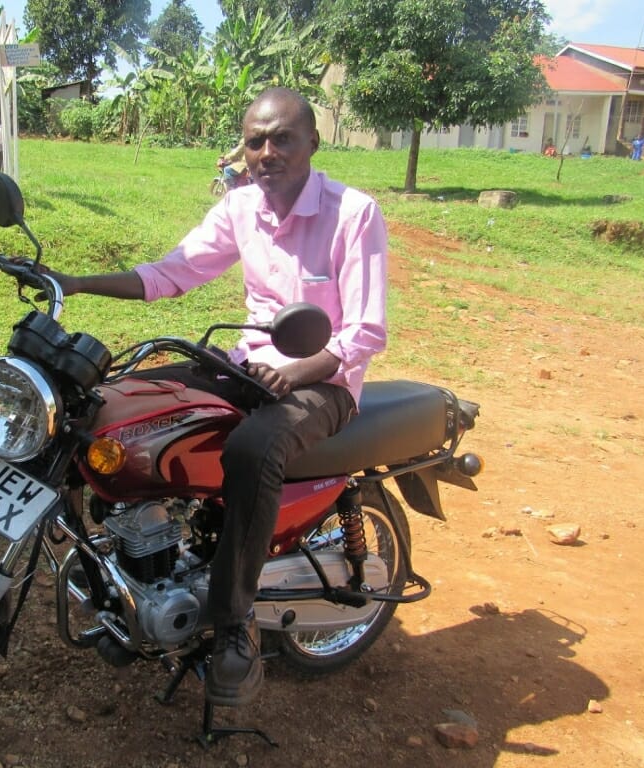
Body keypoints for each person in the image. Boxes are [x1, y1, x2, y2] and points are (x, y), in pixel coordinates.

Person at [44, 87, 388, 706]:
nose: (267, 151)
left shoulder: (353, 212)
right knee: (117, 407)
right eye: (255, 140)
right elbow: (171, 272)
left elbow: (365, 330)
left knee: (254, 448)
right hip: (247, 366)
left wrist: (304, 369)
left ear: (313, 140)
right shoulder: (241, 207)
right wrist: (74, 282)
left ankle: (234, 627)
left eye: (282, 137)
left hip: (326, 382)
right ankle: (130, 574)